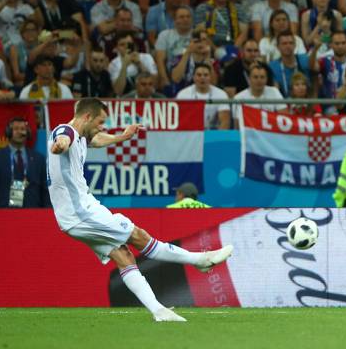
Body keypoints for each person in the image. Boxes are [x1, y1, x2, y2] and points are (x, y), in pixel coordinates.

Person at [47, 98, 233, 322]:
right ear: (86, 117)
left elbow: (94, 139)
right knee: (138, 236)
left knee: (123, 255)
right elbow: (62, 139)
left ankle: (159, 311)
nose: (102, 127)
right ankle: (200, 260)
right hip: (80, 212)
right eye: (100, 122)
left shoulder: (82, 137)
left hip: (77, 213)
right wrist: (60, 145)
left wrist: (122, 137)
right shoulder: (66, 131)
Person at [0, 118, 49, 208]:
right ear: (8, 132)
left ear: (28, 133)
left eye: (23, 129)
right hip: (3, 214)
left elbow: (45, 190)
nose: (20, 132)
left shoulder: (39, 159)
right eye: (16, 129)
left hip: (33, 214)